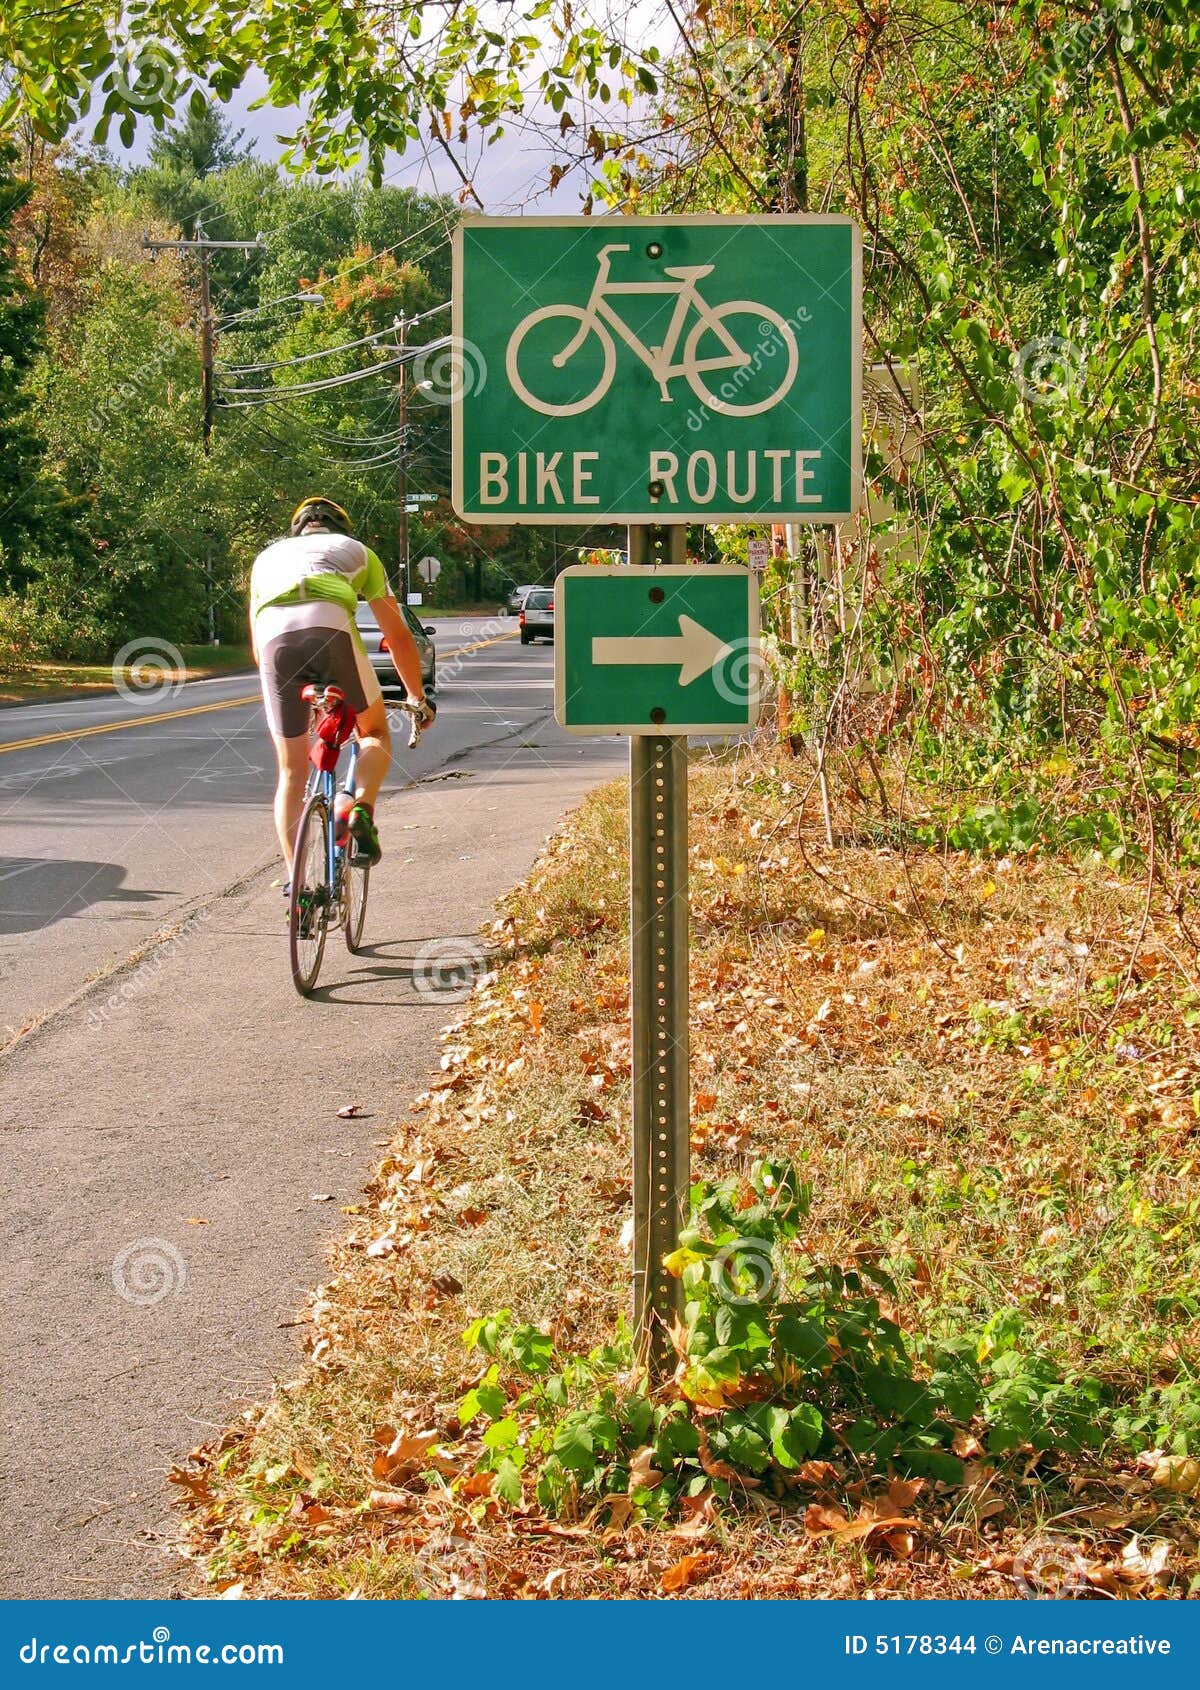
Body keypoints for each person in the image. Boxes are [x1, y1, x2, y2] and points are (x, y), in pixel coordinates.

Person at [249, 496, 435, 879]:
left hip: (274, 642)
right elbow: (398, 637)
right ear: (341, 527)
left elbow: (256, 648)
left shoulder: (266, 559)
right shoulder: (358, 552)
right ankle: (358, 808)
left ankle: (297, 890)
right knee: (376, 733)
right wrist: (416, 696)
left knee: (291, 769)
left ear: (297, 529)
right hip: (330, 627)